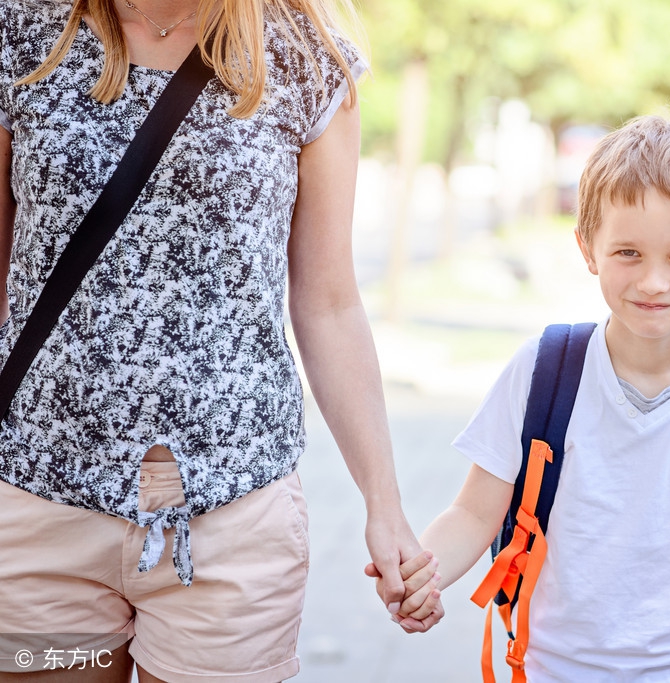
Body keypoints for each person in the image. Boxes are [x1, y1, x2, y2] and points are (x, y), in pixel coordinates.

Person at [0, 1, 438, 681]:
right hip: (40, 509)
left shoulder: (303, 54)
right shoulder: (24, 31)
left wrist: (384, 505)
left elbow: (328, 304)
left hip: (232, 524)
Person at [382, 113, 670, 681]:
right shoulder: (543, 373)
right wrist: (422, 575)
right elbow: (474, 512)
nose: (653, 281)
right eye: (628, 252)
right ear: (588, 248)